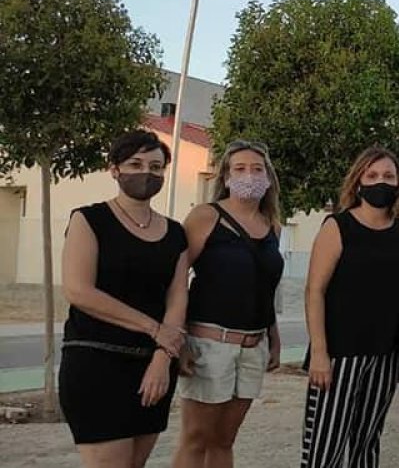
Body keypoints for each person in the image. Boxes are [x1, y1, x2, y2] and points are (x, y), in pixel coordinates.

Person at [59, 130, 189, 468]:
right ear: (115, 169)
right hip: (96, 365)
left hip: (154, 368)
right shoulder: (88, 220)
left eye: (156, 167)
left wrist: (163, 356)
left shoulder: (175, 233)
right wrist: (153, 328)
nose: (146, 173)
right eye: (135, 163)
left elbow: (177, 298)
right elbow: (79, 290)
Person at [302, 147, 399, 468]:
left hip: (385, 355)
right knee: (326, 447)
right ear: (358, 181)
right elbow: (314, 291)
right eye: (373, 175)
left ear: (398, 184)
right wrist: (320, 353)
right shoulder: (337, 227)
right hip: (339, 355)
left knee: (367, 442)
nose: (381, 181)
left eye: (388, 176)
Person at [173, 140, 284, 468]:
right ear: (225, 176)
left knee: (224, 440)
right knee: (196, 439)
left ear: (268, 177)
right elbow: (177, 280)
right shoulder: (206, 217)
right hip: (209, 344)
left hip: (252, 347)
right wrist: (177, 339)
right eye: (239, 168)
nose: (249, 175)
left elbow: (265, 288)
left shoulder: (272, 226)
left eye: (256, 168)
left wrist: (273, 338)